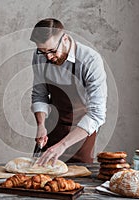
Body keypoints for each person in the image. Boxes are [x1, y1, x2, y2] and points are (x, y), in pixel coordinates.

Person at [30, 18, 107, 165]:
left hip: (81, 129)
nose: (48, 57)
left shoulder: (90, 60)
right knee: (42, 177)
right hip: (54, 124)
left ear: (65, 39)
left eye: (52, 51)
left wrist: (63, 145)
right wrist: (41, 125)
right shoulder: (39, 56)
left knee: (79, 179)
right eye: (43, 52)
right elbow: (40, 94)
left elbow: (97, 114)